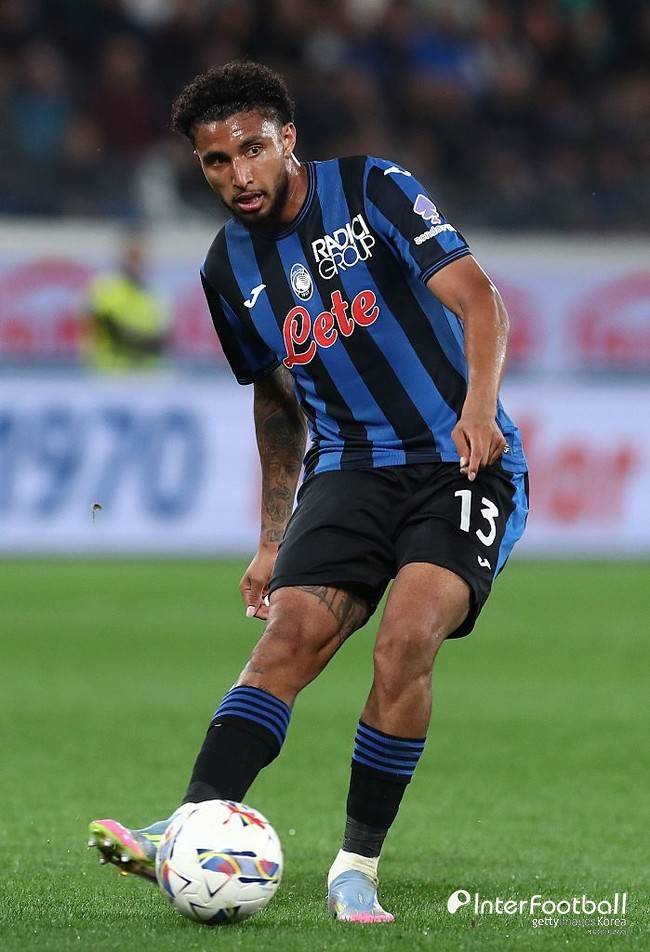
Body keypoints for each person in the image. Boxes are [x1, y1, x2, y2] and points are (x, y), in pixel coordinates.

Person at [88, 61, 529, 924]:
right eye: (216, 162)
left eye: (253, 149)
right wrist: (270, 537)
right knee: (286, 641)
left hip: (459, 464)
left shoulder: (373, 188)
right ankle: (189, 824)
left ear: (288, 138)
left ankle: (355, 866)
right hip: (350, 468)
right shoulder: (226, 266)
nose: (239, 175)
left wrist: (479, 411)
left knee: (405, 641)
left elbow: (481, 300)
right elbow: (277, 403)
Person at [84, 232, 169, 372]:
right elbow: (114, 333)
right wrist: (144, 341)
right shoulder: (104, 290)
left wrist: (137, 339)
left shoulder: (154, 296)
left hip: (148, 378)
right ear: (122, 258)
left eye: (140, 258)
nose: (137, 263)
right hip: (110, 375)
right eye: (133, 257)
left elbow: (163, 340)